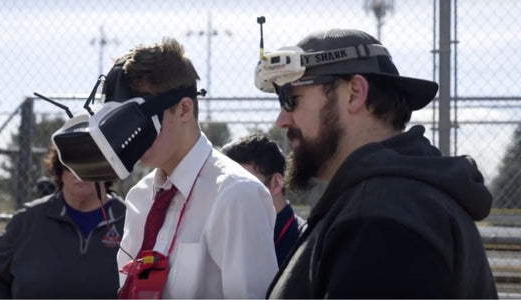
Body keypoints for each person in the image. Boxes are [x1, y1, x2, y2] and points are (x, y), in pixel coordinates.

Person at [258, 29, 497, 298]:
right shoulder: (400, 197)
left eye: (290, 99)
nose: (281, 120)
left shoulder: (381, 217)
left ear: (354, 93)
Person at [112, 38, 277, 298]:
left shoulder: (236, 196)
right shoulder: (140, 197)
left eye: (141, 118)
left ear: (184, 109)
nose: (130, 134)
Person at [0, 145, 126, 298]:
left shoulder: (131, 220)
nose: (78, 173)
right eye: (70, 165)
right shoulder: (29, 218)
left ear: (107, 169)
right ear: (59, 171)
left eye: (88, 163)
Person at [221, 132, 304, 266]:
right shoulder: (227, 238)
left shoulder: (306, 246)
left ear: (276, 183)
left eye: (242, 184)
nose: (230, 194)